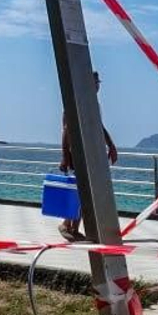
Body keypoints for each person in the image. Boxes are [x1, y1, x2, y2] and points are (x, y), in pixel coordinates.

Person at [58, 71, 119, 240]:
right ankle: (66, 224)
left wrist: (111, 145)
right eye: (94, 83)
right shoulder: (75, 101)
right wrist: (65, 156)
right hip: (76, 153)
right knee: (77, 191)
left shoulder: (93, 103)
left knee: (86, 192)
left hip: (89, 153)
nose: (97, 86)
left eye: (98, 83)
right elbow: (66, 129)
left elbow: (98, 126)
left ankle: (74, 228)